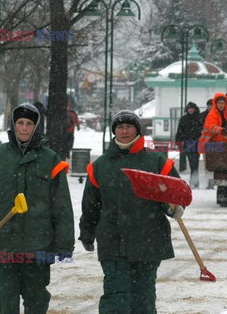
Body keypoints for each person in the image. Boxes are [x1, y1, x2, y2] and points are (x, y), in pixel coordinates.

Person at [0, 102, 75, 314]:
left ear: (36, 127)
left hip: (38, 247)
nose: (24, 128)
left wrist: (64, 243)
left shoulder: (50, 159)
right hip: (2, 246)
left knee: (36, 302)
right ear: (13, 125)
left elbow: (61, 206)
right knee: (7, 304)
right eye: (20, 123)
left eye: (29, 124)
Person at [79, 110, 184, 314]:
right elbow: (91, 205)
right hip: (113, 241)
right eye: (120, 127)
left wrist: (174, 206)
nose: (124, 131)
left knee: (142, 299)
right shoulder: (100, 166)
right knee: (115, 298)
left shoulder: (157, 162)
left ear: (137, 130)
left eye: (129, 126)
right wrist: (87, 232)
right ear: (114, 131)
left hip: (148, 239)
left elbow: (173, 193)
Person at [175, 102, 202, 188]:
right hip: (188, 143)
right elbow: (179, 131)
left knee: (195, 162)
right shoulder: (183, 119)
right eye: (189, 108)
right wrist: (179, 141)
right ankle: (194, 181)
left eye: (192, 108)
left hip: (196, 143)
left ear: (195, 109)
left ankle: (195, 181)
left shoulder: (199, 118)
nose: (190, 110)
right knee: (191, 162)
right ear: (187, 109)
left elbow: (202, 130)